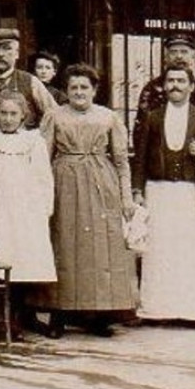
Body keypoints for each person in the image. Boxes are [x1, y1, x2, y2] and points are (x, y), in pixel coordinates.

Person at [38, 63, 137, 338]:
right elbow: (42, 160)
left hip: (100, 185)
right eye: (73, 87)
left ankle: (98, 315)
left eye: (84, 87)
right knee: (65, 246)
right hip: (64, 185)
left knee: (99, 250)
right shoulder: (54, 116)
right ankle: (58, 313)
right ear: (66, 91)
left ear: (94, 90)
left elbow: (121, 161)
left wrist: (126, 197)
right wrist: (41, 197)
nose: (79, 92)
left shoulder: (108, 118)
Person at [130, 65, 195, 328]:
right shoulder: (152, 117)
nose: (175, 85)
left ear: (191, 86)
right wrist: (137, 190)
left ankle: (193, 311)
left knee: (190, 251)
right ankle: (157, 311)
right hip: (158, 191)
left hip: (189, 193)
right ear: (163, 86)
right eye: (170, 80)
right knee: (159, 251)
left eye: (181, 81)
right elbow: (139, 158)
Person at [0, 90, 57, 335]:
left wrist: (43, 210)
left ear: (23, 116)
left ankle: (16, 318)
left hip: (24, 210)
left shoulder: (33, 142)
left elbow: (44, 179)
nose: (8, 119)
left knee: (21, 261)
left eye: (13, 114)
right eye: (4, 113)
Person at [136, 34, 195, 116]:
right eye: (173, 52)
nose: (179, 56)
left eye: (184, 52)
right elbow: (143, 124)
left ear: (193, 56)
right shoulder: (152, 90)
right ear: (166, 56)